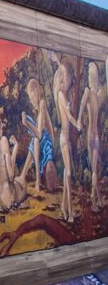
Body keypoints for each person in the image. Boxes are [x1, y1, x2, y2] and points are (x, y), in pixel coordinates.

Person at [53, 64, 82, 222]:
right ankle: (70, 213)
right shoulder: (61, 95)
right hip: (64, 137)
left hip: (64, 137)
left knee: (66, 173)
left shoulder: (61, 95)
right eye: (68, 79)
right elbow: (69, 117)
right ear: (64, 80)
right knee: (69, 173)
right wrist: (77, 124)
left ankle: (64, 208)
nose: (70, 82)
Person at [20, 78, 57, 193]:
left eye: (32, 97)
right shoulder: (39, 106)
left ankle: (36, 179)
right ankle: (27, 176)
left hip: (47, 142)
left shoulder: (42, 104)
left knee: (36, 139)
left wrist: (27, 123)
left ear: (36, 91)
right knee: (35, 141)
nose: (31, 101)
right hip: (43, 140)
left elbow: (40, 134)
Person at [77, 62, 104, 211]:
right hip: (97, 136)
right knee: (94, 169)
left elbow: (81, 108)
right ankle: (97, 198)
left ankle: (94, 200)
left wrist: (79, 120)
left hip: (90, 136)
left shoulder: (87, 91)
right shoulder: (99, 94)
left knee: (94, 170)